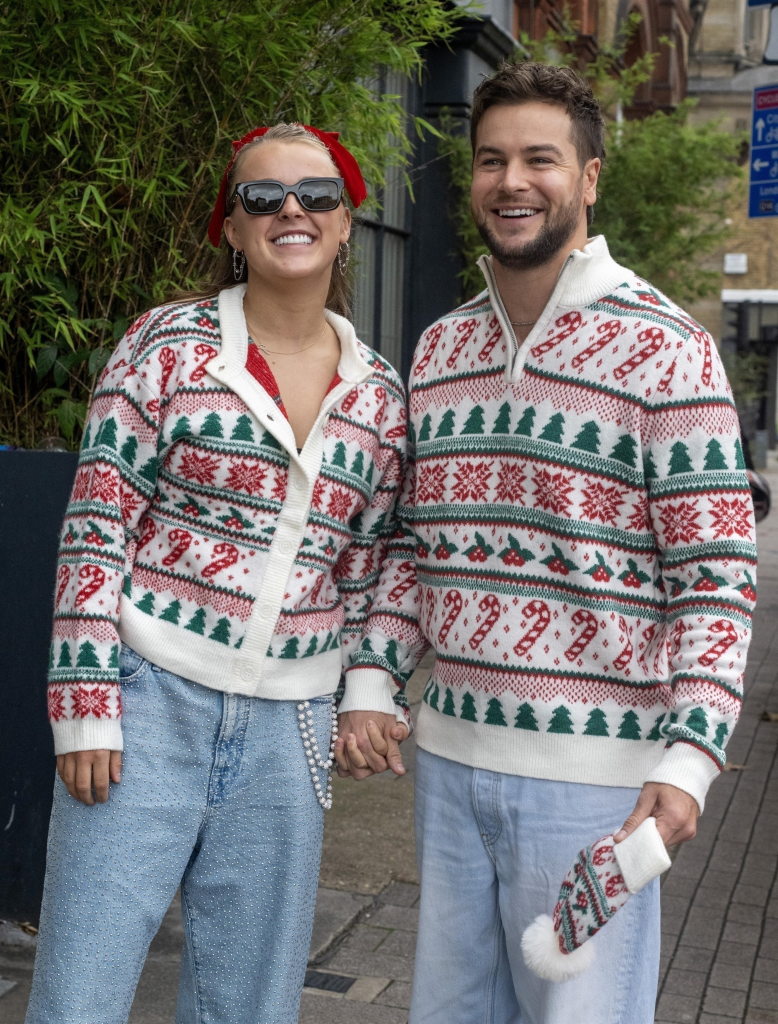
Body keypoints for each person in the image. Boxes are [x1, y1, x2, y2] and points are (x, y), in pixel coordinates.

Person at [337, 62, 756, 1022]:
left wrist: (690, 760)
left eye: (540, 159)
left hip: (595, 785)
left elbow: (716, 581)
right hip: (449, 763)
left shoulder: (668, 347)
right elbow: (413, 544)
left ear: (589, 177)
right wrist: (371, 679)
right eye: (491, 160)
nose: (512, 181)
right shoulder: (440, 348)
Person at [27, 122, 410, 1024]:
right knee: (80, 992)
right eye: (262, 196)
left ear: (345, 223)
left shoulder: (381, 394)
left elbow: (379, 561)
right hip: (146, 701)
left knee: (250, 1004)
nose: (291, 210)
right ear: (232, 229)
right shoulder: (165, 346)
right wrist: (85, 706)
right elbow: (97, 525)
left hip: (292, 726)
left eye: (316, 194)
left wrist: (370, 686)